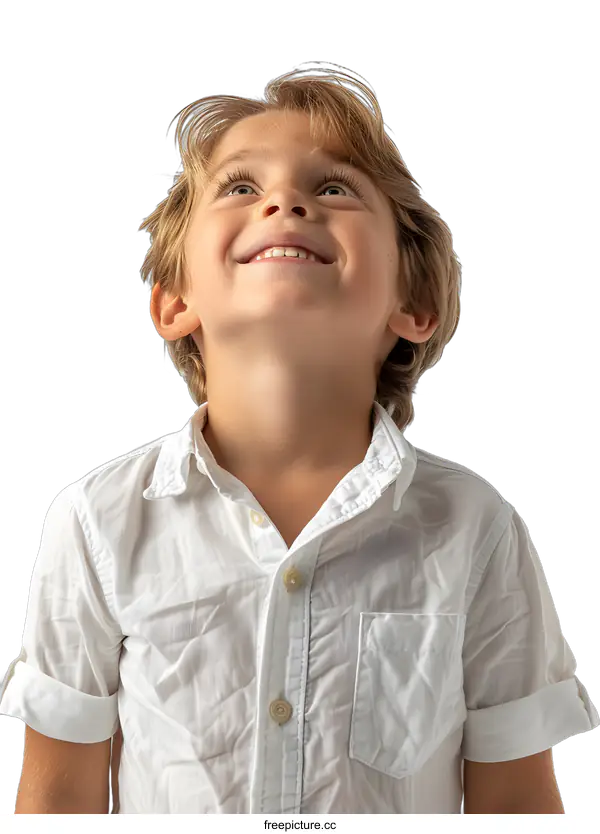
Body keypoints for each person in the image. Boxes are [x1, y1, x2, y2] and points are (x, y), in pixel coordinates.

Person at [1, 69, 597, 814]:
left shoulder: (474, 528)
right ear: (175, 301)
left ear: (413, 302)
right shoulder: (96, 521)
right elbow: (57, 806)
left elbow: (515, 809)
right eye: (240, 187)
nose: (286, 202)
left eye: (336, 188)